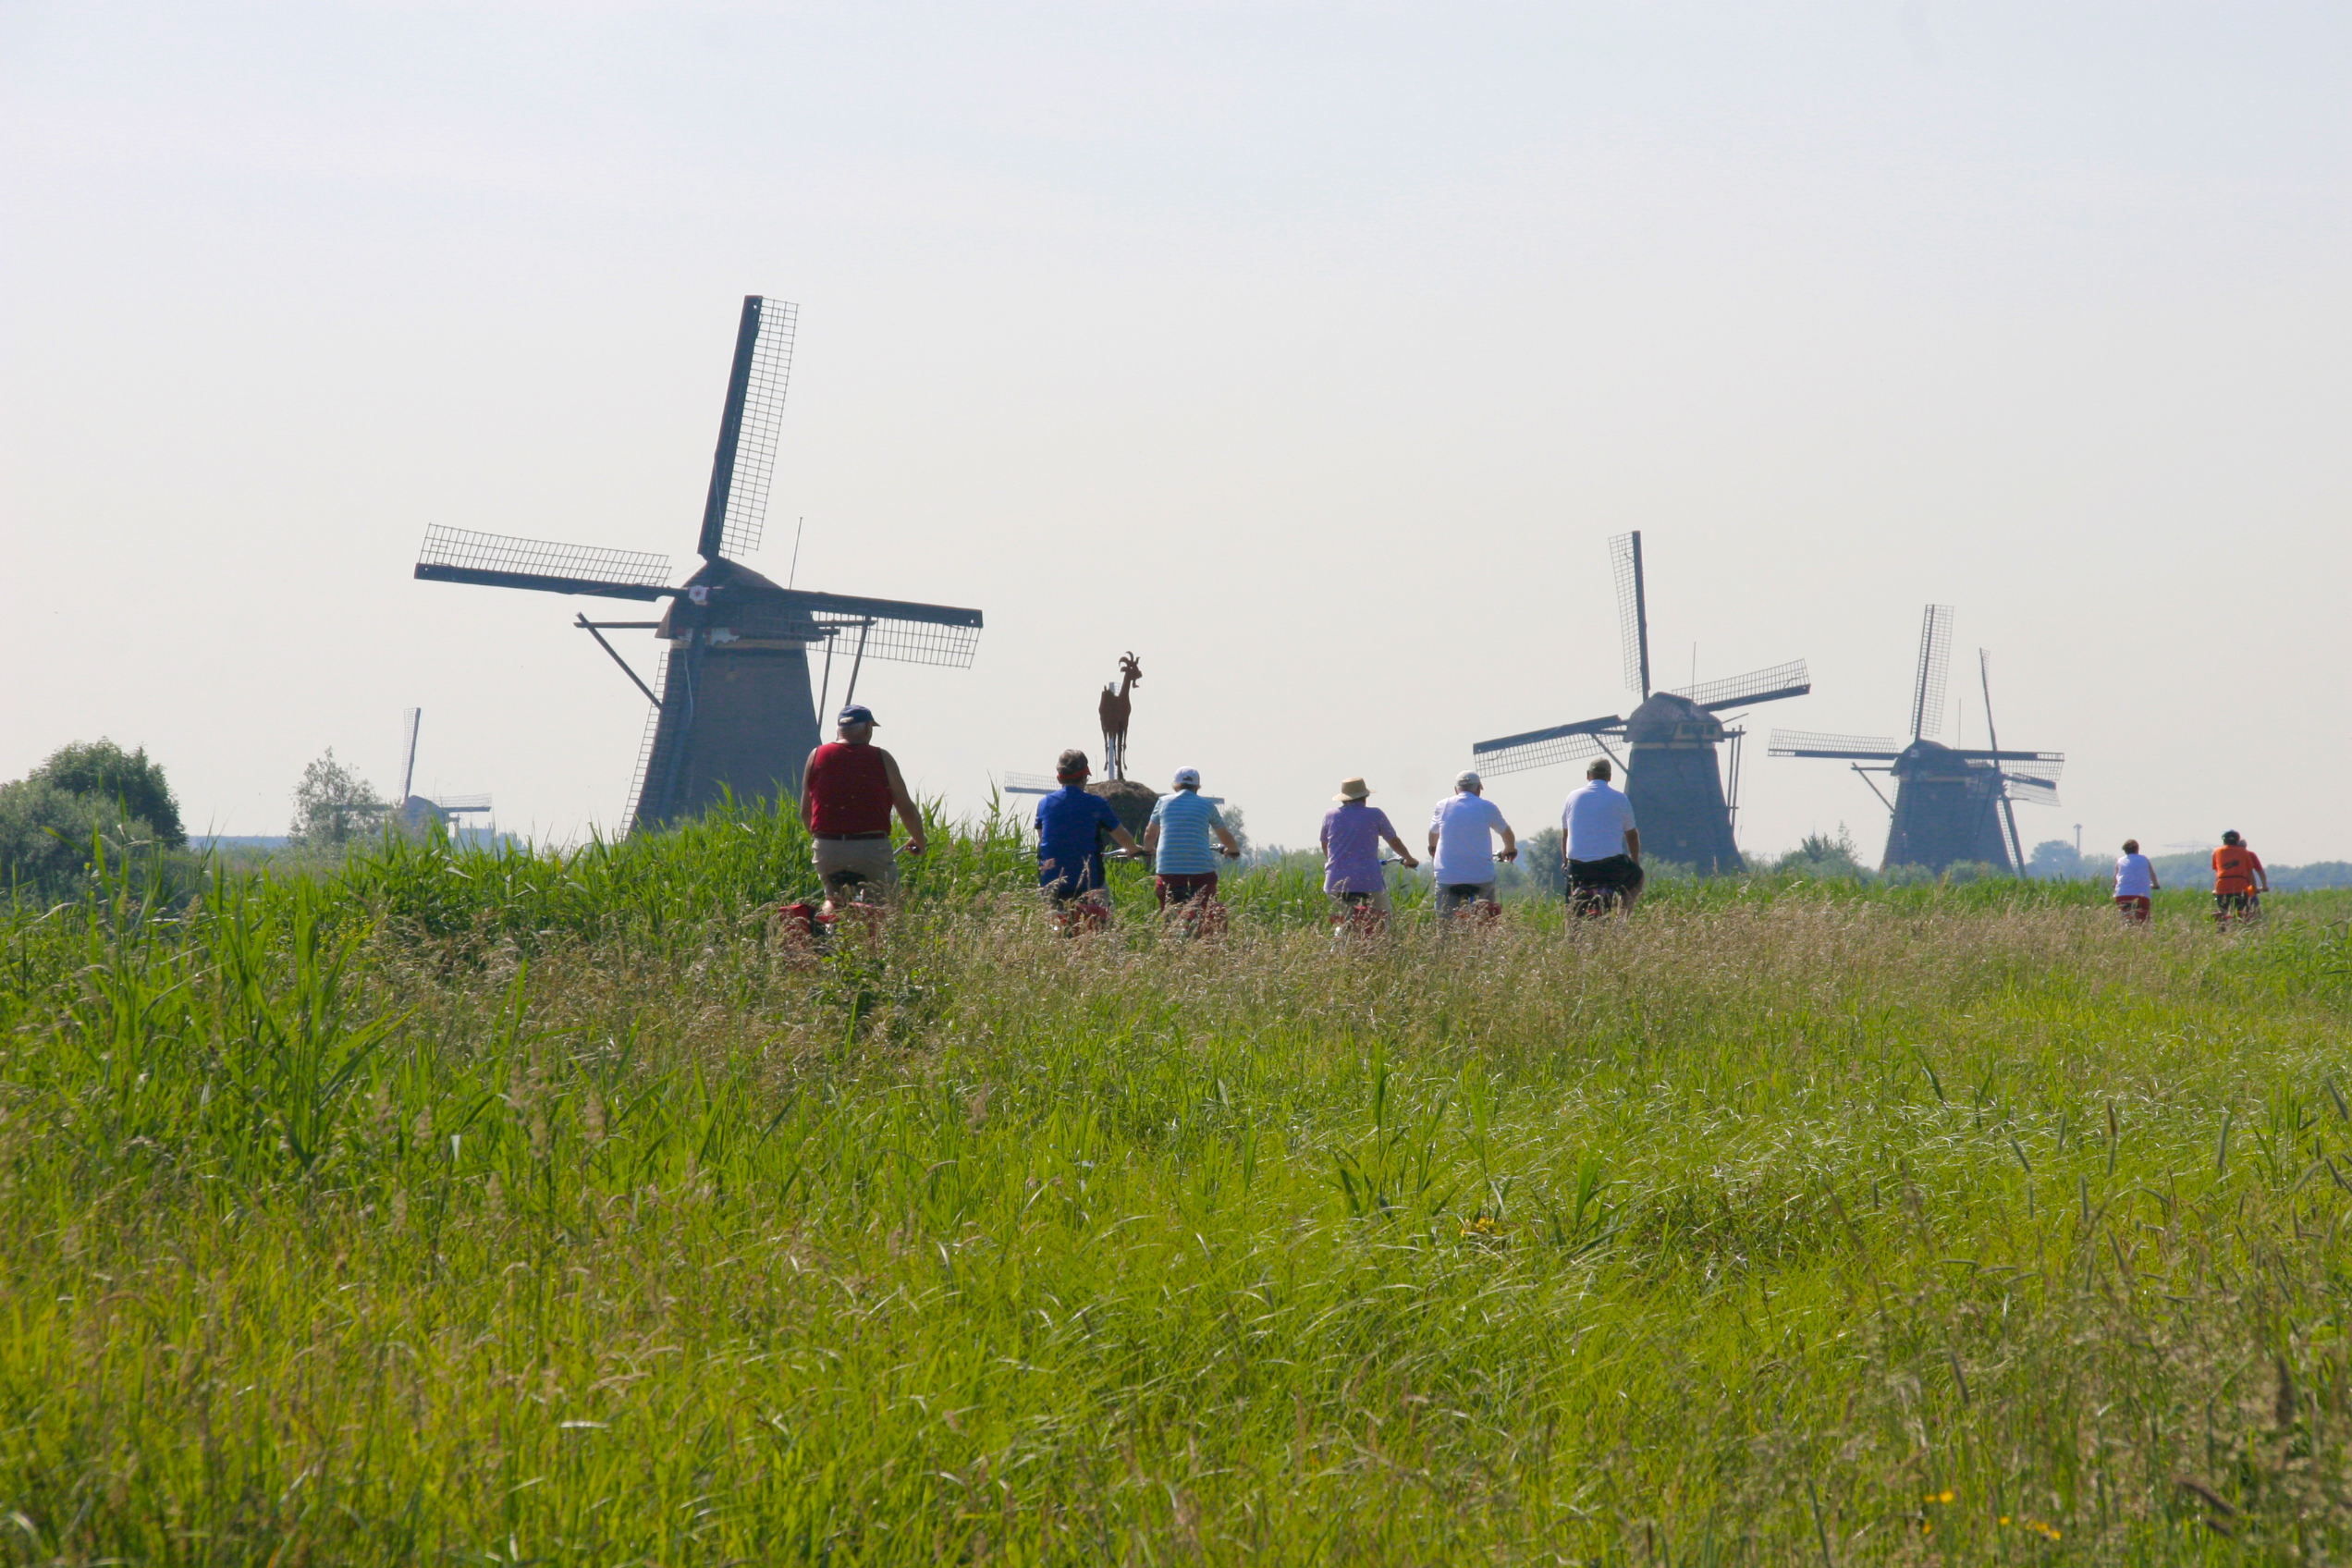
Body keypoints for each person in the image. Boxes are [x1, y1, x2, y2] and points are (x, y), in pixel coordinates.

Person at [800, 703, 925, 907]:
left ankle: (826, 929)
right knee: (888, 905)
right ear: (867, 728)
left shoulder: (816, 755)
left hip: (827, 847)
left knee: (834, 898)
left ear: (839, 728)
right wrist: (919, 841)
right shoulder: (881, 757)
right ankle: (880, 935)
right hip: (870, 846)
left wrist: (823, 842)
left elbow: (806, 812)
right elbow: (905, 808)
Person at [1034, 748, 1144, 924]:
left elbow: (1042, 837)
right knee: (1102, 918)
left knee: (1051, 921)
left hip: (1051, 880)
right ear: (1085, 777)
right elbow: (1121, 835)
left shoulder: (1044, 803)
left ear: (1059, 778)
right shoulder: (1097, 804)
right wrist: (1134, 849)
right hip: (1088, 881)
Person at [1140, 767, 1240, 913]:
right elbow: (1224, 835)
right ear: (1197, 786)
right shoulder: (1207, 805)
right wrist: (1233, 850)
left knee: (1169, 911)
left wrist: (1148, 849)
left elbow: (1150, 833)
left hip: (1169, 869)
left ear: (1175, 785)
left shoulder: (1162, 802)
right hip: (1200, 870)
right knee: (1205, 909)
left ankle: (1169, 929)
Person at [1321, 778, 1417, 922]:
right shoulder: (1375, 814)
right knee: (1383, 918)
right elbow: (1394, 841)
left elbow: (1325, 844)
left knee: (1348, 918)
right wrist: (1409, 859)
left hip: (1335, 881)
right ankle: (1383, 939)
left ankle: (1343, 934)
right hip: (1368, 879)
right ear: (1365, 797)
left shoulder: (1331, 815)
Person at [1427, 769, 1516, 920]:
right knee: (1486, 914)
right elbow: (1506, 832)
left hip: (1448, 877)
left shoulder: (1443, 805)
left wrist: (1433, 849)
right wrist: (1510, 848)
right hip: (1481, 877)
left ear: (1456, 789)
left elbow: (1433, 834)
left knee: (1445, 920)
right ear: (1479, 789)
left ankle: (1444, 938)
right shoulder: (1487, 807)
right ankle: (1485, 934)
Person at [1561, 758, 1641, 916]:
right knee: (1638, 878)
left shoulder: (1572, 797)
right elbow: (1631, 836)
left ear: (1588, 775)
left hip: (1578, 868)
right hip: (1609, 867)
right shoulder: (1620, 799)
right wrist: (1635, 862)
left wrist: (1565, 862)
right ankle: (1621, 922)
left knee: (1570, 900)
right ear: (1609, 777)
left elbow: (1565, 835)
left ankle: (1570, 933)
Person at [2211, 829, 2268, 927]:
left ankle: (2221, 927)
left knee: (2223, 911)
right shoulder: (2244, 852)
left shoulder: (2217, 852)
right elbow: (2251, 873)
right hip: (2240, 886)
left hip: (2222, 886)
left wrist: (2216, 889)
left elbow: (2217, 872)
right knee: (2241, 912)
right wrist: (2254, 888)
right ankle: (2241, 928)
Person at [2113, 838, 2159, 923]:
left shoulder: (2120, 861)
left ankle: (2125, 931)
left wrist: (2115, 885)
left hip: (2122, 894)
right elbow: (2152, 874)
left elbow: (2116, 877)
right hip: (2141, 895)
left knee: (2124, 918)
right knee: (2143, 921)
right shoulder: (2144, 859)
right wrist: (2156, 885)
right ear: (2137, 849)